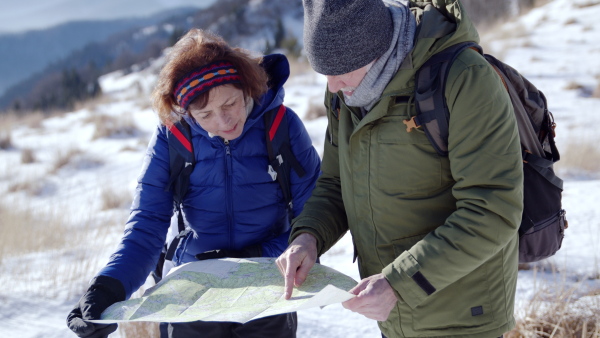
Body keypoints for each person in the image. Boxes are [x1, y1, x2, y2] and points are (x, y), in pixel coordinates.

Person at [276, 0, 524, 337]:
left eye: (340, 69)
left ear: (375, 49)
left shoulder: (463, 78)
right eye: (324, 71)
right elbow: (336, 182)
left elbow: (493, 208)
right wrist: (308, 237)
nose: (331, 86)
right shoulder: (347, 90)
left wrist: (398, 284)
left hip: (464, 316)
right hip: (394, 315)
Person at [67, 28, 321, 338]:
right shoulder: (173, 138)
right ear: (187, 112)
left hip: (267, 288)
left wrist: (263, 256)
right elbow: (148, 224)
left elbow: (314, 215)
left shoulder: (281, 126)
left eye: (230, 104)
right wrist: (107, 287)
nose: (224, 122)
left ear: (246, 87)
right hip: (192, 294)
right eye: (206, 114)